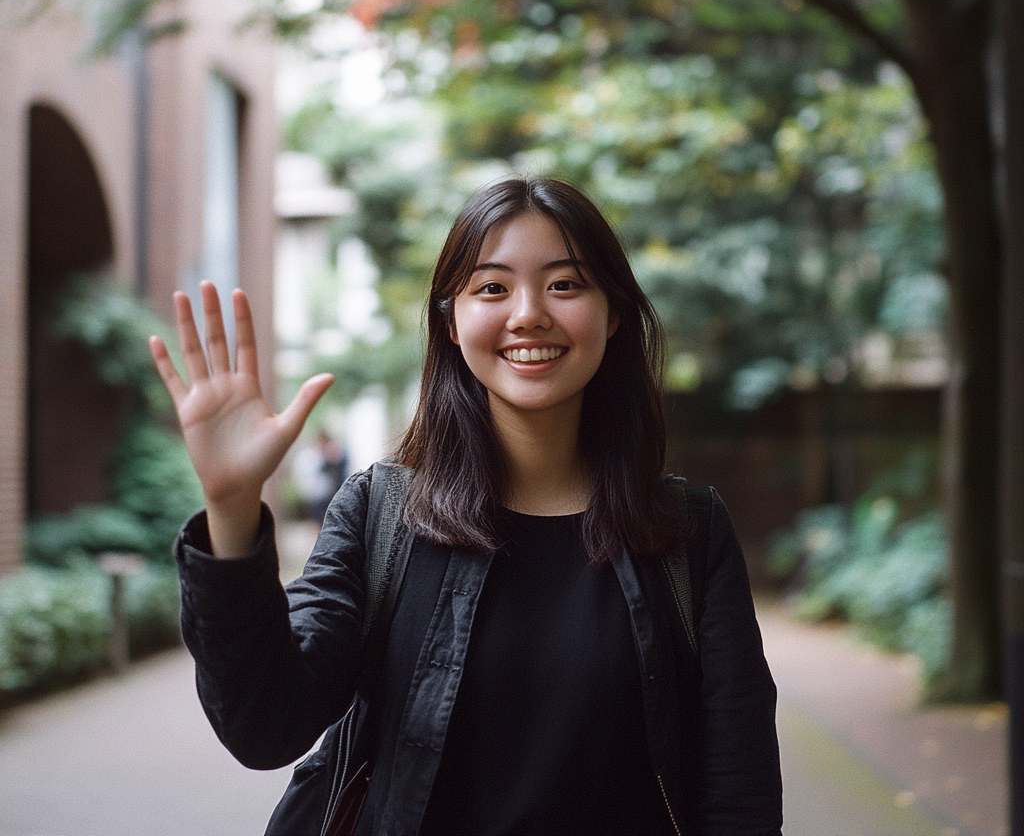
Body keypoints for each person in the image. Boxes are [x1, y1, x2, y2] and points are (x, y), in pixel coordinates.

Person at [150, 177, 783, 836]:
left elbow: (739, 793)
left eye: (565, 284)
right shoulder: (379, 515)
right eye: (492, 287)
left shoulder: (690, 533)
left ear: (613, 313)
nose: (529, 313)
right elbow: (265, 725)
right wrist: (231, 509)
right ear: (451, 322)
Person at [292, 428, 350, 526]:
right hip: (318, 495)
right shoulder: (312, 455)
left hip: (332, 493)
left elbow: (340, 471)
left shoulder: (333, 451)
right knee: (319, 521)